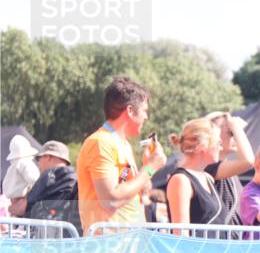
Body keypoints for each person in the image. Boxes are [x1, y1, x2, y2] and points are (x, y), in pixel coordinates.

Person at [77, 76, 166, 234]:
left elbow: (128, 192)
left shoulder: (123, 144)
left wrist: (147, 167)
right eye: (145, 110)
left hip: (126, 248)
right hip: (107, 250)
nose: (147, 117)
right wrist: (150, 168)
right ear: (130, 111)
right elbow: (110, 200)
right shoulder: (100, 142)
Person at [166, 118, 226, 235]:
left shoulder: (208, 178)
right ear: (202, 145)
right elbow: (181, 235)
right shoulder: (181, 180)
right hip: (196, 252)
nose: (221, 147)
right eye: (218, 143)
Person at [203, 111, 255, 236]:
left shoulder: (230, 173)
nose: (234, 136)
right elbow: (248, 160)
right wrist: (236, 128)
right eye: (230, 132)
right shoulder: (208, 167)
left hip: (232, 244)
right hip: (220, 245)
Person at [23, 141, 80, 232]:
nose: (38, 164)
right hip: (71, 235)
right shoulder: (77, 178)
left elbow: (28, 203)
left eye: (39, 159)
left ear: (48, 157)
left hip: (44, 235)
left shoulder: (48, 175)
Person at [3, 134, 40, 217]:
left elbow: (5, 186)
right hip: (24, 203)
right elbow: (35, 179)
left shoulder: (12, 167)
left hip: (13, 203)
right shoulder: (25, 163)